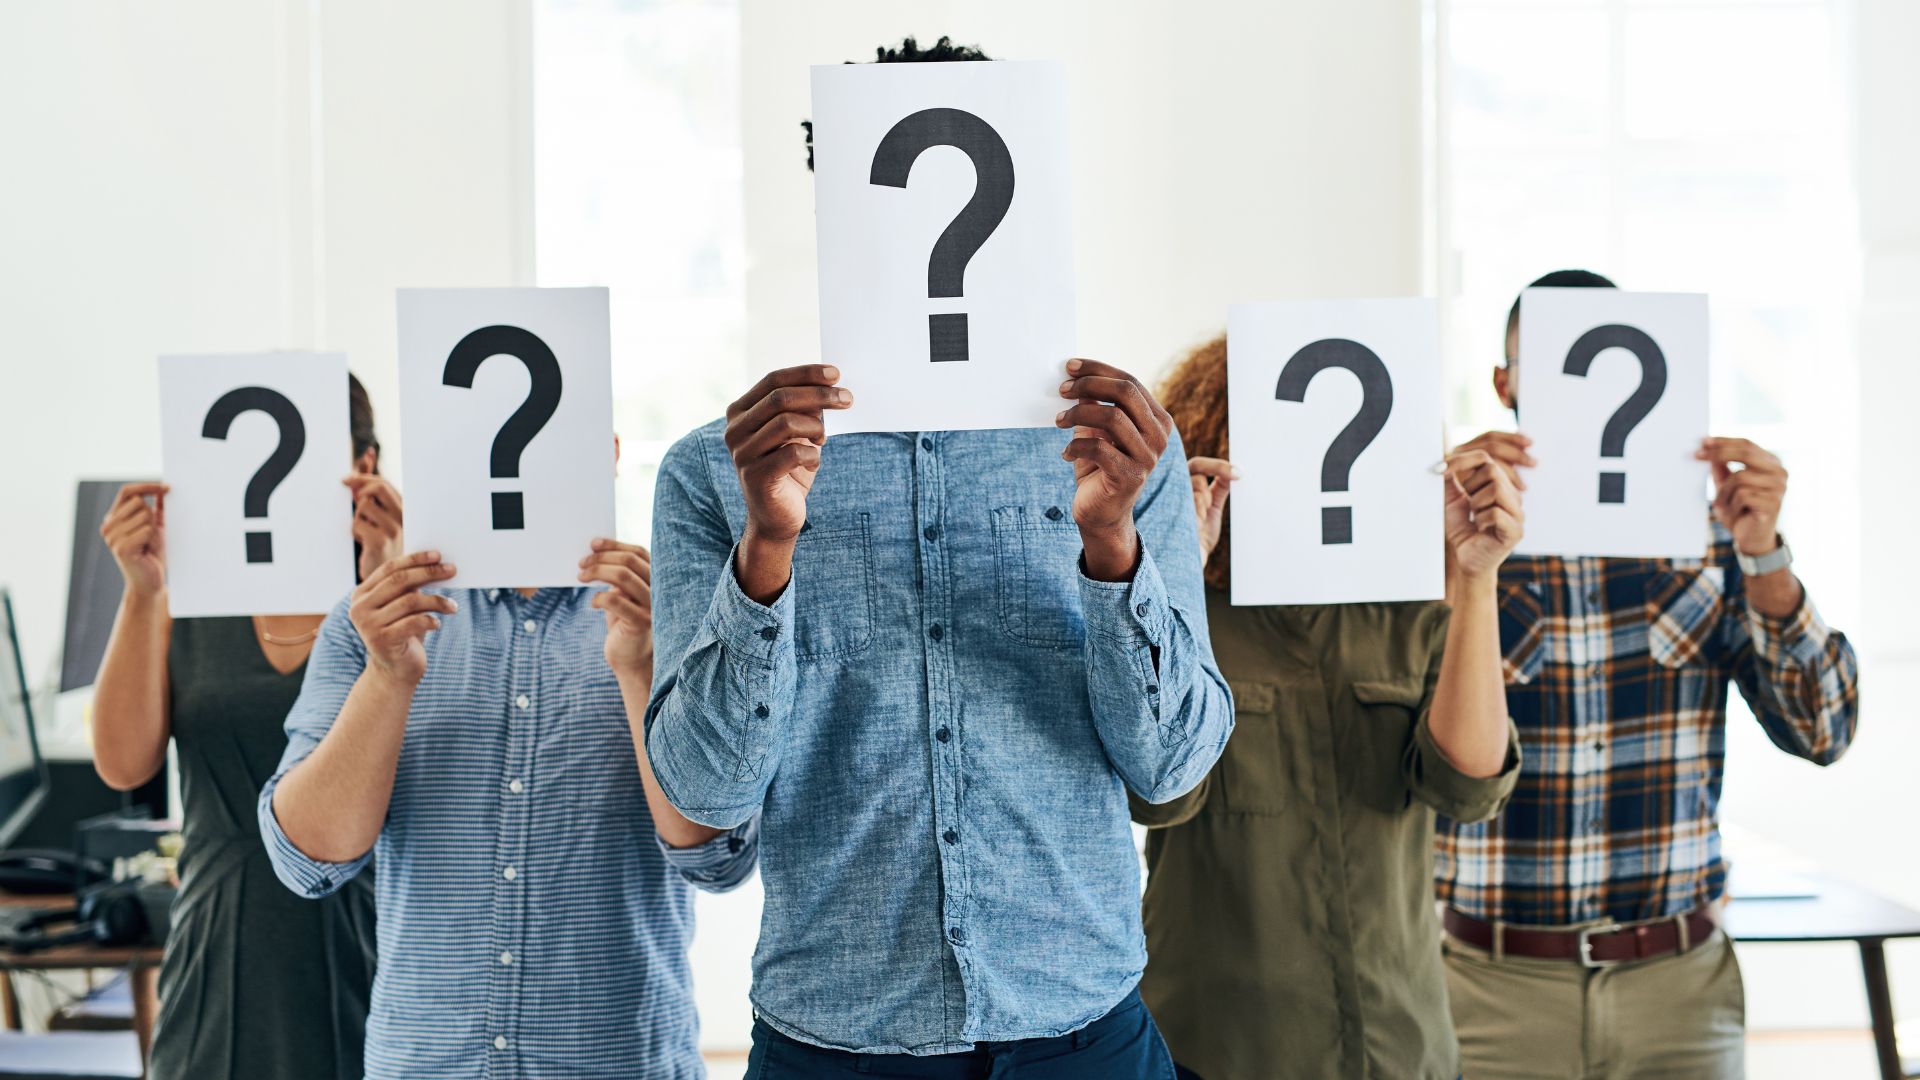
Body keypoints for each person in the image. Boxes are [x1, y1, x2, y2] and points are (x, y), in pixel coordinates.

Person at [645, 37, 1233, 1080]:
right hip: (836, 1042)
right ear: (837, 197)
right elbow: (706, 791)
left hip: (1085, 1034)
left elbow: (1172, 764)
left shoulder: (1123, 449)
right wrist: (768, 552)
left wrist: (1111, 548)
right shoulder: (718, 470)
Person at [1436, 269, 1861, 1079]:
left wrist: (1766, 556)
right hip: (1489, 989)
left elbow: (1824, 729)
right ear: (1504, 383)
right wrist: (1447, 554)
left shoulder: (1713, 533)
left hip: (1678, 988)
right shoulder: (1450, 535)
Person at [258, 441, 754, 1079]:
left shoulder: (678, 612)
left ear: (608, 450)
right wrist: (386, 676)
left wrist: (641, 668)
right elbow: (304, 861)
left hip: (622, 1063)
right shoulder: (372, 624)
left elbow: (719, 858)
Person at [1130, 336, 1523, 1080]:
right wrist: (1172, 572)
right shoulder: (1191, 619)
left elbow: (1469, 788)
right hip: (1217, 1050)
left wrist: (1474, 579)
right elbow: (1161, 797)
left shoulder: (1409, 613)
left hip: (1398, 1042)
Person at [91, 373, 398, 1080]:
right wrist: (144, 592)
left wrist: (386, 571)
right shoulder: (187, 596)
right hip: (220, 946)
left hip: (373, 931)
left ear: (365, 463)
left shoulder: (394, 597)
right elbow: (122, 765)